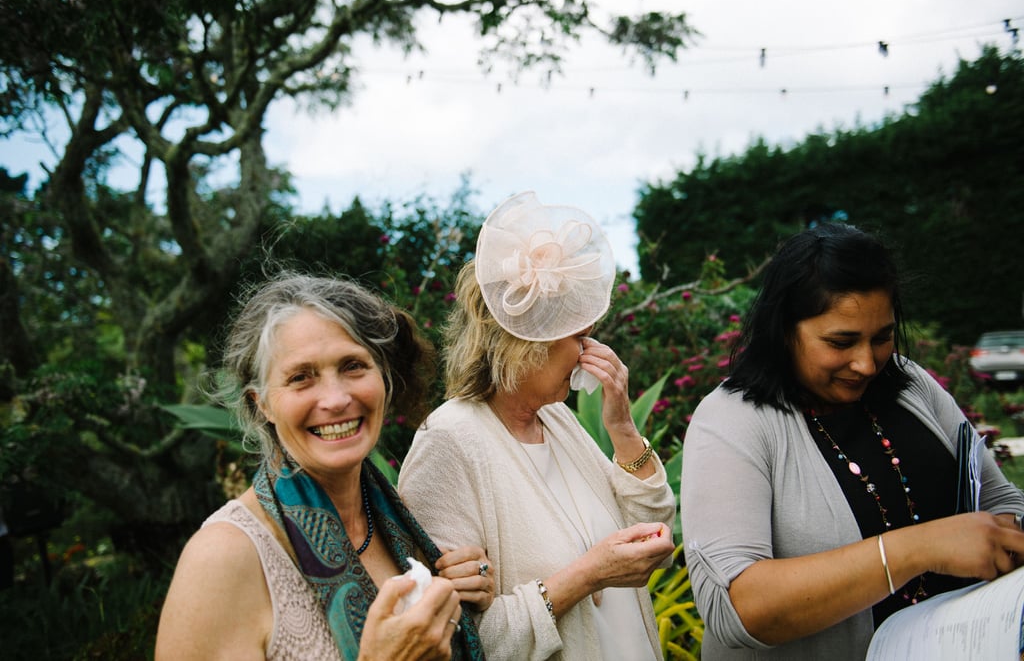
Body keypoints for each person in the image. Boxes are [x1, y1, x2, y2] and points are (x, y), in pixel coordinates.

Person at [680, 222, 1024, 660]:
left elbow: (1001, 500)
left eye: (881, 337)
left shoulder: (911, 384)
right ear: (784, 330)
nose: (866, 364)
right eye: (840, 342)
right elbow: (734, 609)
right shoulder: (731, 420)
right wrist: (920, 548)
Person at [398, 191, 676, 661]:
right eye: (579, 336)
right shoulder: (448, 442)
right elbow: (460, 637)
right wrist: (587, 575)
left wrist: (623, 427)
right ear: (527, 343)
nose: (590, 351)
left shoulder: (558, 420)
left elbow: (650, 538)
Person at [155, 273, 491, 660]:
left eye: (352, 366)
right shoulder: (223, 558)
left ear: (384, 378)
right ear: (261, 403)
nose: (335, 399)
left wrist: (470, 587)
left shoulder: (400, 522)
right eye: (301, 378)